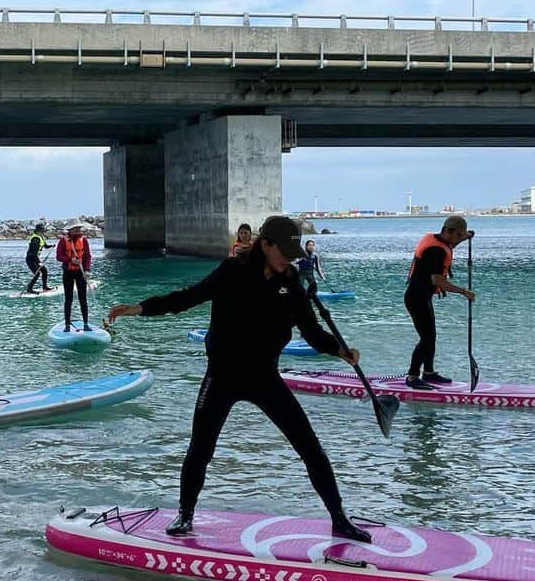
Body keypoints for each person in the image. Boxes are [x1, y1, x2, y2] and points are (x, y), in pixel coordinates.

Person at [107, 215, 371, 543]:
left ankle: (339, 519)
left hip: (265, 378)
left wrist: (339, 350)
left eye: (293, 252)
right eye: (284, 251)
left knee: (310, 447)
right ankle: (185, 514)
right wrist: (140, 308)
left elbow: (314, 333)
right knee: (200, 449)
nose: (289, 258)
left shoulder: (291, 285)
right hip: (223, 376)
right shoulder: (232, 272)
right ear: (265, 244)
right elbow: (187, 298)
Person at [404, 215, 476, 390]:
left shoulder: (436, 238)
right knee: (426, 338)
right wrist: (463, 292)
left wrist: (465, 236)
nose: (459, 240)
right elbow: (438, 281)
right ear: (449, 232)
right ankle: (412, 377)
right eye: (459, 236)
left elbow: (450, 244)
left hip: (422, 296)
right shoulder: (435, 251)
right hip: (416, 298)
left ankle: (428, 373)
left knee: (431, 337)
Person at [57, 220, 93, 331]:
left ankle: (86, 324)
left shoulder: (84, 240)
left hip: (80, 272)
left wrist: (87, 270)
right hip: (68, 272)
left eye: (78, 228)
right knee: (69, 299)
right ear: (70, 230)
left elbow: (87, 256)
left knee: (83, 299)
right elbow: (59, 256)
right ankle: (67, 324)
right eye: (75, 228)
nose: (77, 230)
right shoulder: (63, 241)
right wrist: (69, 260)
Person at [24, 223, 53, 294]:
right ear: (37, 230)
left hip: (35, 258)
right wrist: (38, 262)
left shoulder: (41, 237)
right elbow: (33, 252)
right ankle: (29, 289)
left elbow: (45, 246)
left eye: (42, 230)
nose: (42, 231)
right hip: (31, 259)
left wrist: (51, 246)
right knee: (37, 274)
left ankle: (45, 287)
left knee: (44, 271)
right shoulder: (35, 238)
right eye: (40, 230)